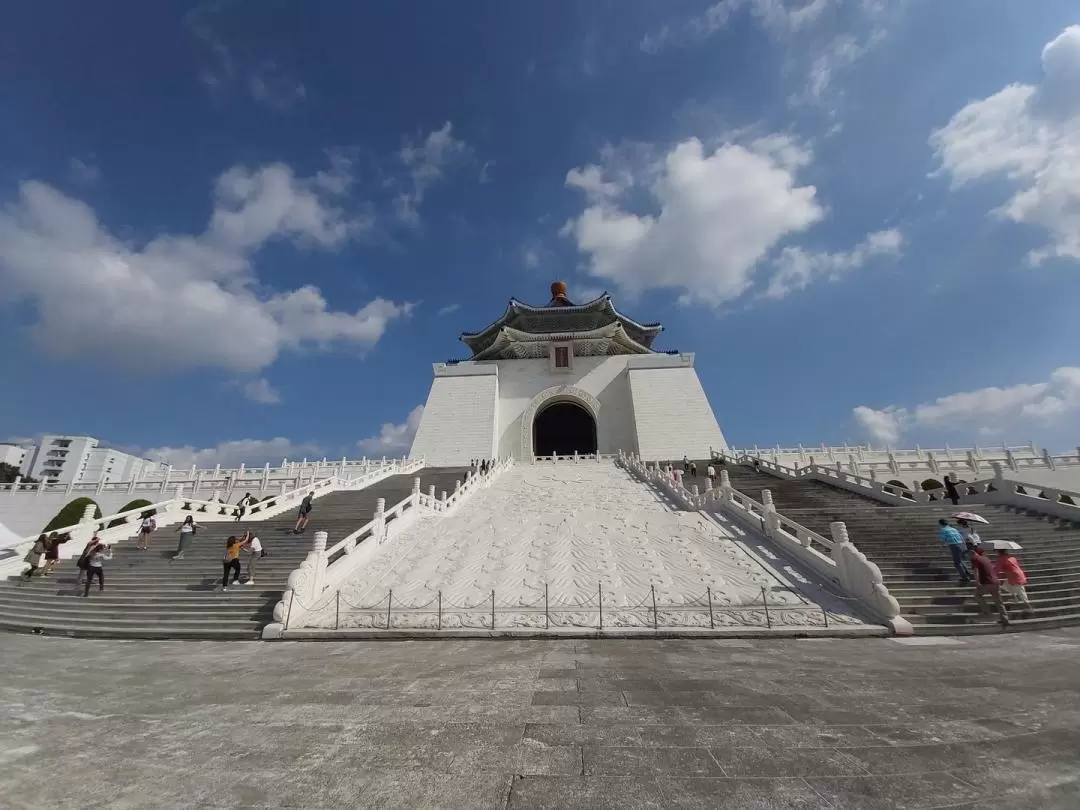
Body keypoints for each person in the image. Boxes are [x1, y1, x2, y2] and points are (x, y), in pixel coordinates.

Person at [968, 541, 1009, 626]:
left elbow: (976, 571)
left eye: (969, 554)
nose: (968, 556)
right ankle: (1004, 617)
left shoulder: (974, 559)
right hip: (996, 582)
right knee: (998, 601)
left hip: (987, 583)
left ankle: (987, 613)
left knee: (977, 596)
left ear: (972, 552)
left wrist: (977, 583)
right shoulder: (985, 558)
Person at [995, 549, 1032, 617]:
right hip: (1017, 574)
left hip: (1015, 576)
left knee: (1020, 591)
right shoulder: (1012, 557)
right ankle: (1014, 598)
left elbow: (997, 570)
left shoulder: (1001, 559)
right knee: (1005, 585)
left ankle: (1028, 607)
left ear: (999, 552)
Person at [938, 519, 971, 583]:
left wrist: (942, 548)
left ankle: (965, 577)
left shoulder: (943, 530)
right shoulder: (954, 529)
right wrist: (964, 547)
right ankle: (967, 572)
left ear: (940, 524)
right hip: (961, 544)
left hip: (954, 545)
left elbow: (943, 539)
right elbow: (961, 537)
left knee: (957, 563)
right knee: (960, 560)